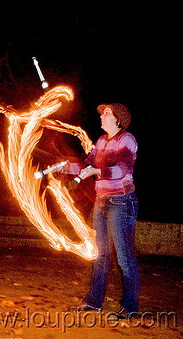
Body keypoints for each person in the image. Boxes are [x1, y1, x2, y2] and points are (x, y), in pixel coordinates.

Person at [67, 103, 139, 319]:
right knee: (100, 255)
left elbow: (122, 169)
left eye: (107, 113)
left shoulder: (127, 140)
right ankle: (94, 302)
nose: (102, 116)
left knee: (124, 257)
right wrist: (65, 167)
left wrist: (98, 170)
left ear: (118, 119)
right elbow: (86, 165)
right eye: (102, 113)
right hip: (101, 202)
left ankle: (130, 307)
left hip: (121, 202)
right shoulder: (100, 141)